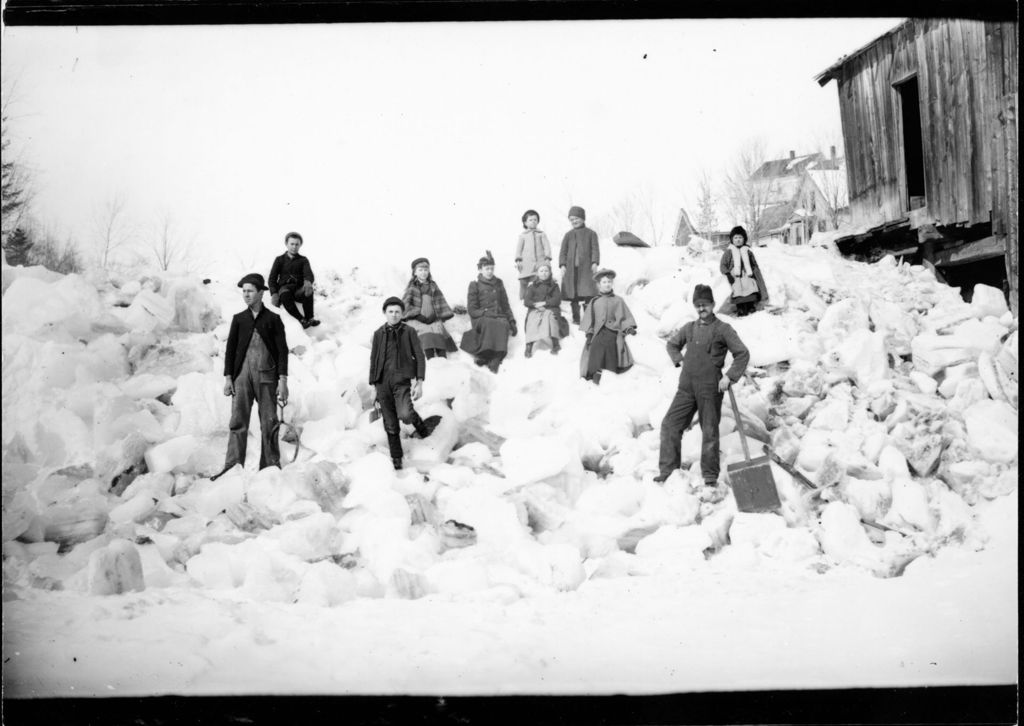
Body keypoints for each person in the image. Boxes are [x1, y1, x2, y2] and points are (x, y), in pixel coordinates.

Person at [655, 284, 750, 491]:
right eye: (698, 305)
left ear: (713, 304)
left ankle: (709, 477)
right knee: (670, 425)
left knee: (709, 432)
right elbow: (672, 344)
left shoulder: (723, 329)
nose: (701, 309)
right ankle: (668, 472)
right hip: (686, 388)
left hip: (710, 388)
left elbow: (742, 354)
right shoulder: (689, 328)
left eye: (705, 304)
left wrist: (730, 377)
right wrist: (678, 360)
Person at [215, 273, 289, 478]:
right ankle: (232, 468)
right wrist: (229, 377)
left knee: (269, 423)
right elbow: (230, 351)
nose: (245, 295)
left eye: (249, 291)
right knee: (238, 422)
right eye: (243, 291)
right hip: (241, 378)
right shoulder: (239, 319)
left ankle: (271, 468)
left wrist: (282, 381)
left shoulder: (273, 319)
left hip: (267, 377)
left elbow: (282, 351)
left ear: (260, 293)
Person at [369, 297, 443, 471]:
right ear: (384, 313)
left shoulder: (409, 332)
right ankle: (397, 458)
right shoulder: (379, 333)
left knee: (405, 415)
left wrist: (419, 381)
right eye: (390, 312)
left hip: (401, 381)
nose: (394, 315)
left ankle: (418, 423)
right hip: (382, 383)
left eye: (397, 312)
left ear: (402, 314)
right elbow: (374, 360)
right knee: (390, 423)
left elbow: (419, 356)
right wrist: (373, 385)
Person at [460, 251, 517, 372]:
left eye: (492, 268)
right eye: (487, 269)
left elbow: (505, 304)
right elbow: (472, 309)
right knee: (490, 323)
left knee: (503, 324)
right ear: (480, 270)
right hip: (481, 318)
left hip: (498, 316)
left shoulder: (499, 283)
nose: (490, 271)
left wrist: (511, 321)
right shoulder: (474, 285)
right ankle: (484, 355)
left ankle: (496, 357)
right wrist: (485, 312)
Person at [579, 269, 636, 383]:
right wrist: (589, 333)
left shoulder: (618, 300)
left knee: (610, 345)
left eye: (609, 282)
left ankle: (609, 372)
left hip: (612, 330)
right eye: (604, 282)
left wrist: (628, 327)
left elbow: (624, 316)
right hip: (597, 331)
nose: (607, 284)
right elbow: (589, 319)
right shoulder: (595, 301)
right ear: (599, 285)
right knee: (595, 346)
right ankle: (594, 372)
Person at [402, 257, 458, 359]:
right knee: (427, 336)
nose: (423, 272)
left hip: (433, 318)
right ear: (415, 272)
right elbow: (405, 305)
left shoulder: (433, 286)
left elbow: (440, 301)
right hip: (418, 320)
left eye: (426, 270)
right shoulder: (412, 288)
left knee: (438, 333)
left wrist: (436, 314)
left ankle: (443, 360)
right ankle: (431, 360)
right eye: (420, 270)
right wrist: (417, 316)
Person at [558, 205, 600, 324]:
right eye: (571, 220)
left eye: (576, 218)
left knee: (587, 293)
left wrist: (595, 262)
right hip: (571, 270)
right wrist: (562, 265)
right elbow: (563, 252)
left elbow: (595, 249)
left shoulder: (591, 234)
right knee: (574, 294)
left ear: (583, 218)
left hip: (586, 269)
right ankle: (576, 318)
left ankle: (588, 319)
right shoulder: (568, 235)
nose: (574, 221)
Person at [269, 231, 320, 328]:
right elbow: (272, 279)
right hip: (285, 289)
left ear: (300, 245)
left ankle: (310, 318)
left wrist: (308, 282)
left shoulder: (303, 260)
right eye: (292, 244)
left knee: (308, 289)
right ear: (286, 244)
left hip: (297, 290)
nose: (294, 246)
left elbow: (308, 274)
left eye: (297, 244)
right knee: (285, 294)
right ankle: (302, 319)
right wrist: (274, 293)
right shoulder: (279, 260)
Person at [719, 225, 768, 317]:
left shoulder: (748, 251)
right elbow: (723, 265)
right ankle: (740, 308)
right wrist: (728, 274)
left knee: (750, 288)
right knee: (738, 292)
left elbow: (754, 263)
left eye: (740, 237)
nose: (738, 240)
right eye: (736, 237)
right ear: (732, 239)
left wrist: (756, 273)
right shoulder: (729, 252)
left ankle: (750, 306)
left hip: (747, 275)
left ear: (744, 239)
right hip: (735, 277)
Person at [523, 263, 565, 357]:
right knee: (532, 319)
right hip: (535, 308)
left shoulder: (554, 286)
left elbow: (557, 299)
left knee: (550, 317)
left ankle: (555, 343)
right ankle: (529, 345)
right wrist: (535, 305)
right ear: (537, 273)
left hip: (550, 308)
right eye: (541, 271)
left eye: (546, 271)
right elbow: (526, 301)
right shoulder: (532, 286)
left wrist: (545, 304)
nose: (544, 273)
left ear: (550, 272)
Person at [515, 209, 552, 300]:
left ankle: (540, 299)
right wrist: (518, 260)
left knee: (539, 282)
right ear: (525, 222)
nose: (533, 222)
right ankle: (524, 300)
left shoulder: (541, 234)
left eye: (535, 220)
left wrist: (547, 258)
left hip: (540, 263)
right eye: (530, 220)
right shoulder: (523, 236)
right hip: (526, 265)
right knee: (524, 282)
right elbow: (519, 249)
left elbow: (547, 247)